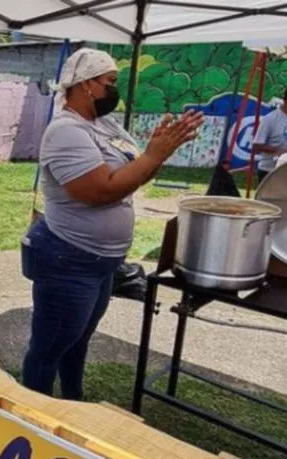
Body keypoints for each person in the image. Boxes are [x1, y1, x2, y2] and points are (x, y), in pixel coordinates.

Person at [20, 48, 203, 401]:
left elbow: (135, 173)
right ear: (86, 85)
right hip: (68, 260)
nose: (114, 90)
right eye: (110, 81)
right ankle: (33, 412)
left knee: (78, 339)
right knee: (49, 348)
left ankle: (73, 401)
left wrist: (157, 155)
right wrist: (153, 155)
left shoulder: (105, 125)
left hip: (100, 263)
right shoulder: (65, 131)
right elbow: (100, 191)